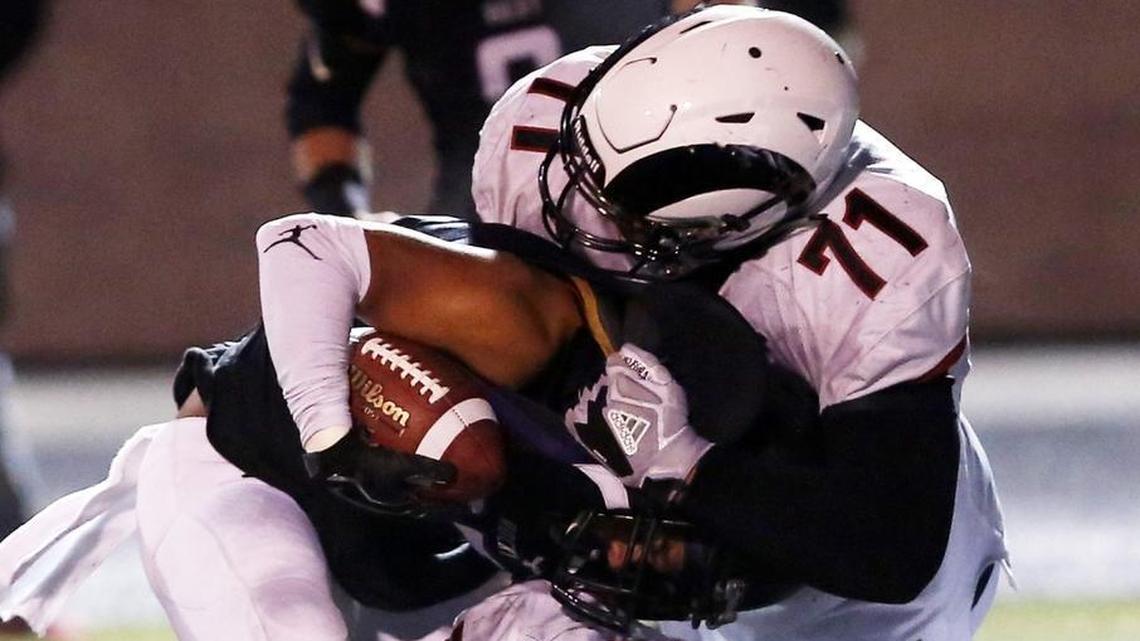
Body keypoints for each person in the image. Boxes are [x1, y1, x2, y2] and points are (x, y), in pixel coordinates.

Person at [460, 5, 1010, 640]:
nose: (585, 218)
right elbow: (493, 313)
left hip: (842, 593)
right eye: (589, 176)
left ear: (763, 215)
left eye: (640, 226)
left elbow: (885, 549)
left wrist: (689, 464)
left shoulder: (882, 251)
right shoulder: (540, 122)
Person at [287, 0, 757, 219]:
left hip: (657, 198)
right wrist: (346, 213)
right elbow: (323, 100)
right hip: (488, 224)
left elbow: (728, 40)